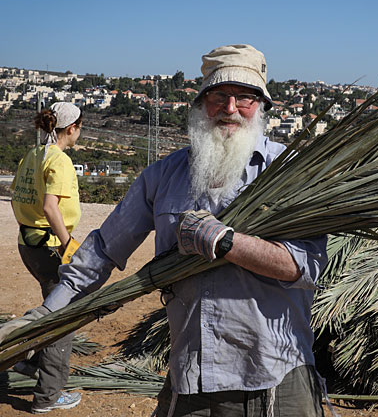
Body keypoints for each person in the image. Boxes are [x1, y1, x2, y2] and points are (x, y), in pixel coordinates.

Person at [8, 45, 329, 417]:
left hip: (275, 376)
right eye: (219, 96)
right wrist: (46, 315)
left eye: (245, 97)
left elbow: (306, 268)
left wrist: (227, 242)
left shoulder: (289, 174)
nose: (230, 108)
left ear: (262, 106)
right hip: (194, 376)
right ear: (200, 103)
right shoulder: (163, 176)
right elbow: (102, 250)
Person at [9, 101, 83, 413]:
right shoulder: (59, 161)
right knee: (62, 320)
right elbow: (51, 207)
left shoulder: (33, 155)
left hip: (29, 243)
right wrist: (68, 246)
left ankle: (30, 363)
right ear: (72, 129)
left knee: (50, 305)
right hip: (50, 246)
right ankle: (48, 396)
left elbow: (16, 196)